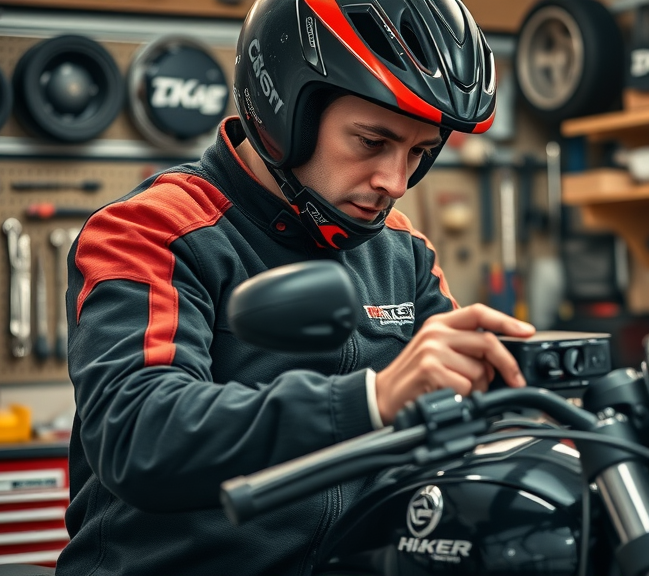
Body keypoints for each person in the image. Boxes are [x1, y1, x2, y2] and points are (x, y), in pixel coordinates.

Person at [56, 0, 533, 574]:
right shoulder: (153, 230)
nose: (396, 182)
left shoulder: (402, 251)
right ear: (287, 110)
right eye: (371, 142)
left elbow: (461, 413)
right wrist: (371, 400)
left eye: (419, 153)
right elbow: (139, 433)